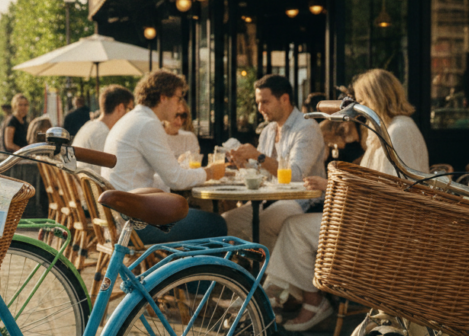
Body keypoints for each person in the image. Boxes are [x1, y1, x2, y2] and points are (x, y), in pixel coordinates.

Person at [267, 69, 429, 332]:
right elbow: (377, 183)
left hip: (383, 229)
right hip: (377, 221)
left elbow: (391, 192)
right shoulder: (392, 128)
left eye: (361, 99)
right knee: (293, 224)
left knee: (294, 227)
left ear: (376, 98)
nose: (357, 107)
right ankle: (287, 296)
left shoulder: (398, 131)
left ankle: (309, 301)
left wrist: (333, 186)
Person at [102, 70, 227, 244]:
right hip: (135, 223)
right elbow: (175, 179)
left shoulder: (132, 119)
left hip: (119, 217)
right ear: (163, 98)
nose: (180, 106)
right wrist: (210, 172)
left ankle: (187, 270)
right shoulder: (147, 124)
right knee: (216, 223)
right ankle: (202, 272)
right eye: (178, 98)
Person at [222, 74, 325, 249]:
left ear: (284, 99)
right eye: (258, 103)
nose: (260, 108)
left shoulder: (307, 128)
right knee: (225, 222)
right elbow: (260, 173)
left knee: (265, 222)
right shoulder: (268, 131)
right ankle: (243, 271)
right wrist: (242, 164)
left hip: (304, 202)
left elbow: (296, 176)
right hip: (268, 200)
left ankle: (267, 274)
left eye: (265, 102)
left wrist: (259, 156)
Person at [71, 85, 134, 174]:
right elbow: (114, 172)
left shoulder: (90, 125)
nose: (131, 115)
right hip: (90, 186)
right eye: (130, 109)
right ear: (120, 108)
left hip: (80, 184)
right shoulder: (103, 134)